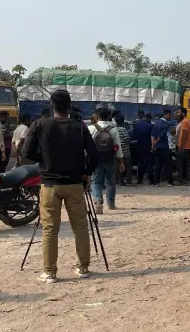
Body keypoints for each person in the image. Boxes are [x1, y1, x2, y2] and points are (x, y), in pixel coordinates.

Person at [22, 89, 98, 284]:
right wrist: (87, 172)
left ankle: (49, 272)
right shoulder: (80, 126)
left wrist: (45, 160)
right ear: (69, 106)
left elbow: (26, 152)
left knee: (50, 229)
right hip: (74, 183)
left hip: (49, 184)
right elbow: (94, 154)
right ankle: (83, 267)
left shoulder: (39, 125)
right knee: (80, 227)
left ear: (51, 105)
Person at [88, 105, 124, 213]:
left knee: (96, 181)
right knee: (110, 181)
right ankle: (111, 204)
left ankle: (98, 201)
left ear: (97, 116)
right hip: (110, 158)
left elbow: (87, 146)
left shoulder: (91, 128)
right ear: (109, 116)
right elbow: (117, 146)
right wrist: (121, 161)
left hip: (95, 159)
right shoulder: (113, 129)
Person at [151, 109, 175, 186]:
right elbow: (162, 135)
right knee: (168, 164)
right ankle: (170, 182)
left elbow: (152, 135)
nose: (170, 117)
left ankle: (156, 182)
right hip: (165, 146)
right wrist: (156, 142)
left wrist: (153, 145)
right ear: (165, 114)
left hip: (157, 147)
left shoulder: (156, 123)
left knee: (158, 164)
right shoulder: (167, 124)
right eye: (169, 115)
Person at [133, 111, 154, 185]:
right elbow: (153, 136)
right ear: (150, 118)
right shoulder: (151, 126)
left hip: (139, 145)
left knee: (140, 163)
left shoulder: (137, 124)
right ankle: (151, 180)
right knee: (149, 163)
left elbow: (134, 136)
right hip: (148, 146)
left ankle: (140, 180)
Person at [113, 114, 133, 186]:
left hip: (116, 151)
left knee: (118, 166)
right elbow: (127, 139)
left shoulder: (113, 129)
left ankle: (119, 181)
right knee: (128, 166)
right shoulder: (123, 129)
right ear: (123, 121)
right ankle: (128, 181)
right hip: (125, 151)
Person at [176, 108, 190, 184]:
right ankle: (186, 179)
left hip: (184, 146)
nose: (178, 114)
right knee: (186, 164)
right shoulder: (187, 121)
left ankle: (181, 179)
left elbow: (184, 133)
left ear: (183, 113)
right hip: (188, 146)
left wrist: (181, 145)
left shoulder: (184, 122)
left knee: (181, 164)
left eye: (179, 112)